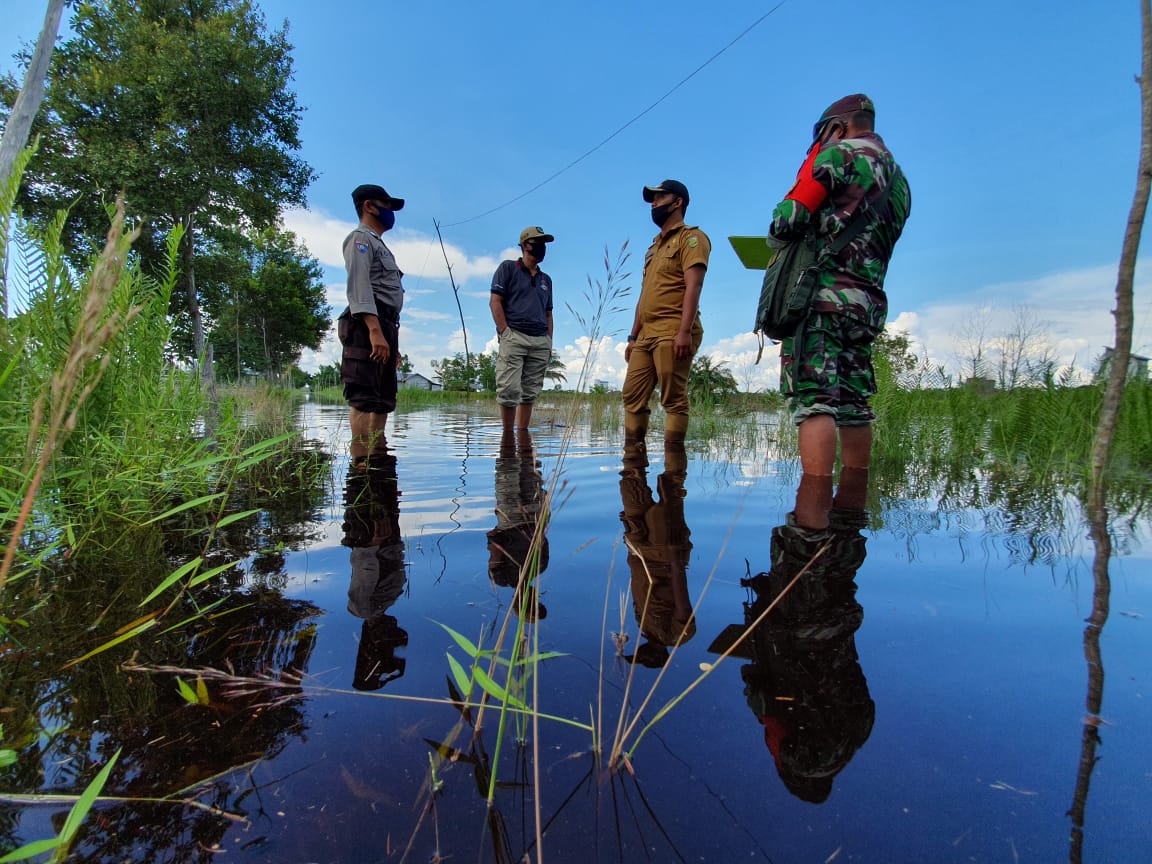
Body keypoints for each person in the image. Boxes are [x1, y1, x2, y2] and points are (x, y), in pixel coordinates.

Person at [769, 94, 911, 516]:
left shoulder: (836, 155)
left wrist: (816, 152)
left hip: (821, 302)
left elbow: (785, 220)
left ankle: (810, 527)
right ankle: (849, 520)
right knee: (854, 405)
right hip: (866, 306)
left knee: (815, 400)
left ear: (839, 126)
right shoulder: (901, 181)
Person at [622, 180, 710, 446]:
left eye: (660, 197)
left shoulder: (692, 238)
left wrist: (684, 331)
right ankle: (633, 467)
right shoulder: (653, 248)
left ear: (678, 202)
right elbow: (644, 295)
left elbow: (694, 285)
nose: (654, 203)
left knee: (673, 399)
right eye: (652, 198)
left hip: (673, 329)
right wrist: (632, 336)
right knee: (631, 396)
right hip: (646, 334)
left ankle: (673, 472)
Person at [339, 183, 406, 461]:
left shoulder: (380, 245)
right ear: (369, 206)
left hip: (385, 324)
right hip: (366, 324)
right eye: (387, 205)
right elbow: (360, 287)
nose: (391, 212)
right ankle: (361, 470)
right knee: (365, 398)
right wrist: (374, 331)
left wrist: (391, 341)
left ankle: (378, 465)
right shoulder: (360, 240)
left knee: (382, 400)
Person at [490, 227, 555, 433]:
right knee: (509, 390)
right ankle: (507, 438)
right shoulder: (508, 268)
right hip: (514, 336)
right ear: (525, 245)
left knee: (530, 392)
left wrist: (548, 340)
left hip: (539, 341)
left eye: (544, 244)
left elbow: (548, 313)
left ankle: (523, 436)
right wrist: (505, 331)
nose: (542, 248)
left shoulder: (546, 280)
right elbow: (495, 302)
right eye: (538, 243)